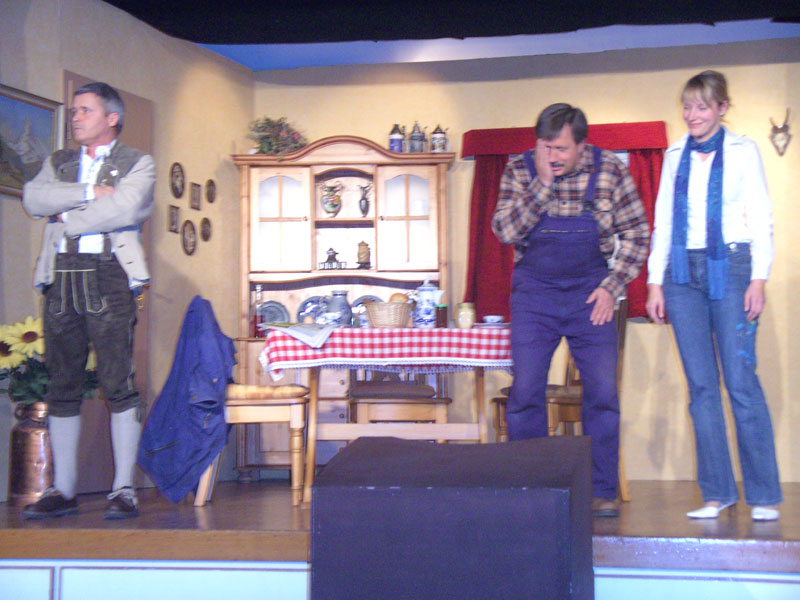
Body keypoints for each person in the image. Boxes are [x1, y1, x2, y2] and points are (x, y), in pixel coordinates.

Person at [492, 103, 649, 517]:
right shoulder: (520, 169)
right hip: (535, 295)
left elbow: (637, 233)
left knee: (602, 393)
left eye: (560, 148)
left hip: (590, 295)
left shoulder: (610, 170)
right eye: (545, 147)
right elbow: (504, 230)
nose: (552, 156)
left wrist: (611, 287)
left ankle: (601, 490)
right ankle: (529, 487)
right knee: (526, 391)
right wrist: (542, 185)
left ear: (582, 144)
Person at [646, 70, 781, 521]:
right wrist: (655, 281)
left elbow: (760, 215)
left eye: (702, 106)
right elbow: (664, 220)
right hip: (682, 273)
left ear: (722, 108)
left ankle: (763, 495)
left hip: (733, 266)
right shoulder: (674, 154)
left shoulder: (743, 150)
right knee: (701, 388)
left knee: (740, 383)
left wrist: (758, 278)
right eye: (687, 106)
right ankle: (717, 493)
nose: (692, 115)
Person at [21, 82, 155, 520]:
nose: (75, 118)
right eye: (74, 110)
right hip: (59, 277)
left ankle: (123, 489)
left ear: (111, 118)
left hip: (109, 275)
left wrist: (65, 215)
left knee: (118, 381)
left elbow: (126, 209)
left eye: (85, 110)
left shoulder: (138, 162)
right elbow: (33, 199)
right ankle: (63, 489)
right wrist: (86, 194)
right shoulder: (59, 161)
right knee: (62, 384)